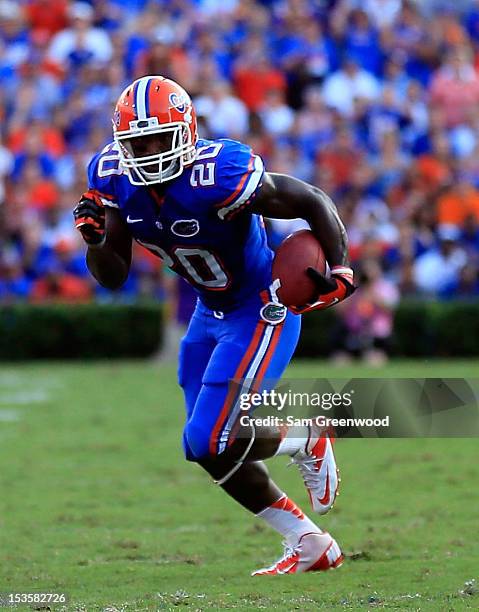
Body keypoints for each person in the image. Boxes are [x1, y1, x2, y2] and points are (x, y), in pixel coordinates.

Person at [73, 76, 355, 575]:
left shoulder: (218, 172)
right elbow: (113, 276)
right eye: (139, 142)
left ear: (186, 131)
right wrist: (96, 239)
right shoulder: (111, 175)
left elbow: (308, 199)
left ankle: (306, 433)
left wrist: (340, 266)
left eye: (161, 138)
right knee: (203, 448)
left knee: (212, 437)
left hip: (259, 306)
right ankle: (309, 544)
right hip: (210, 312)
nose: (151, 152)